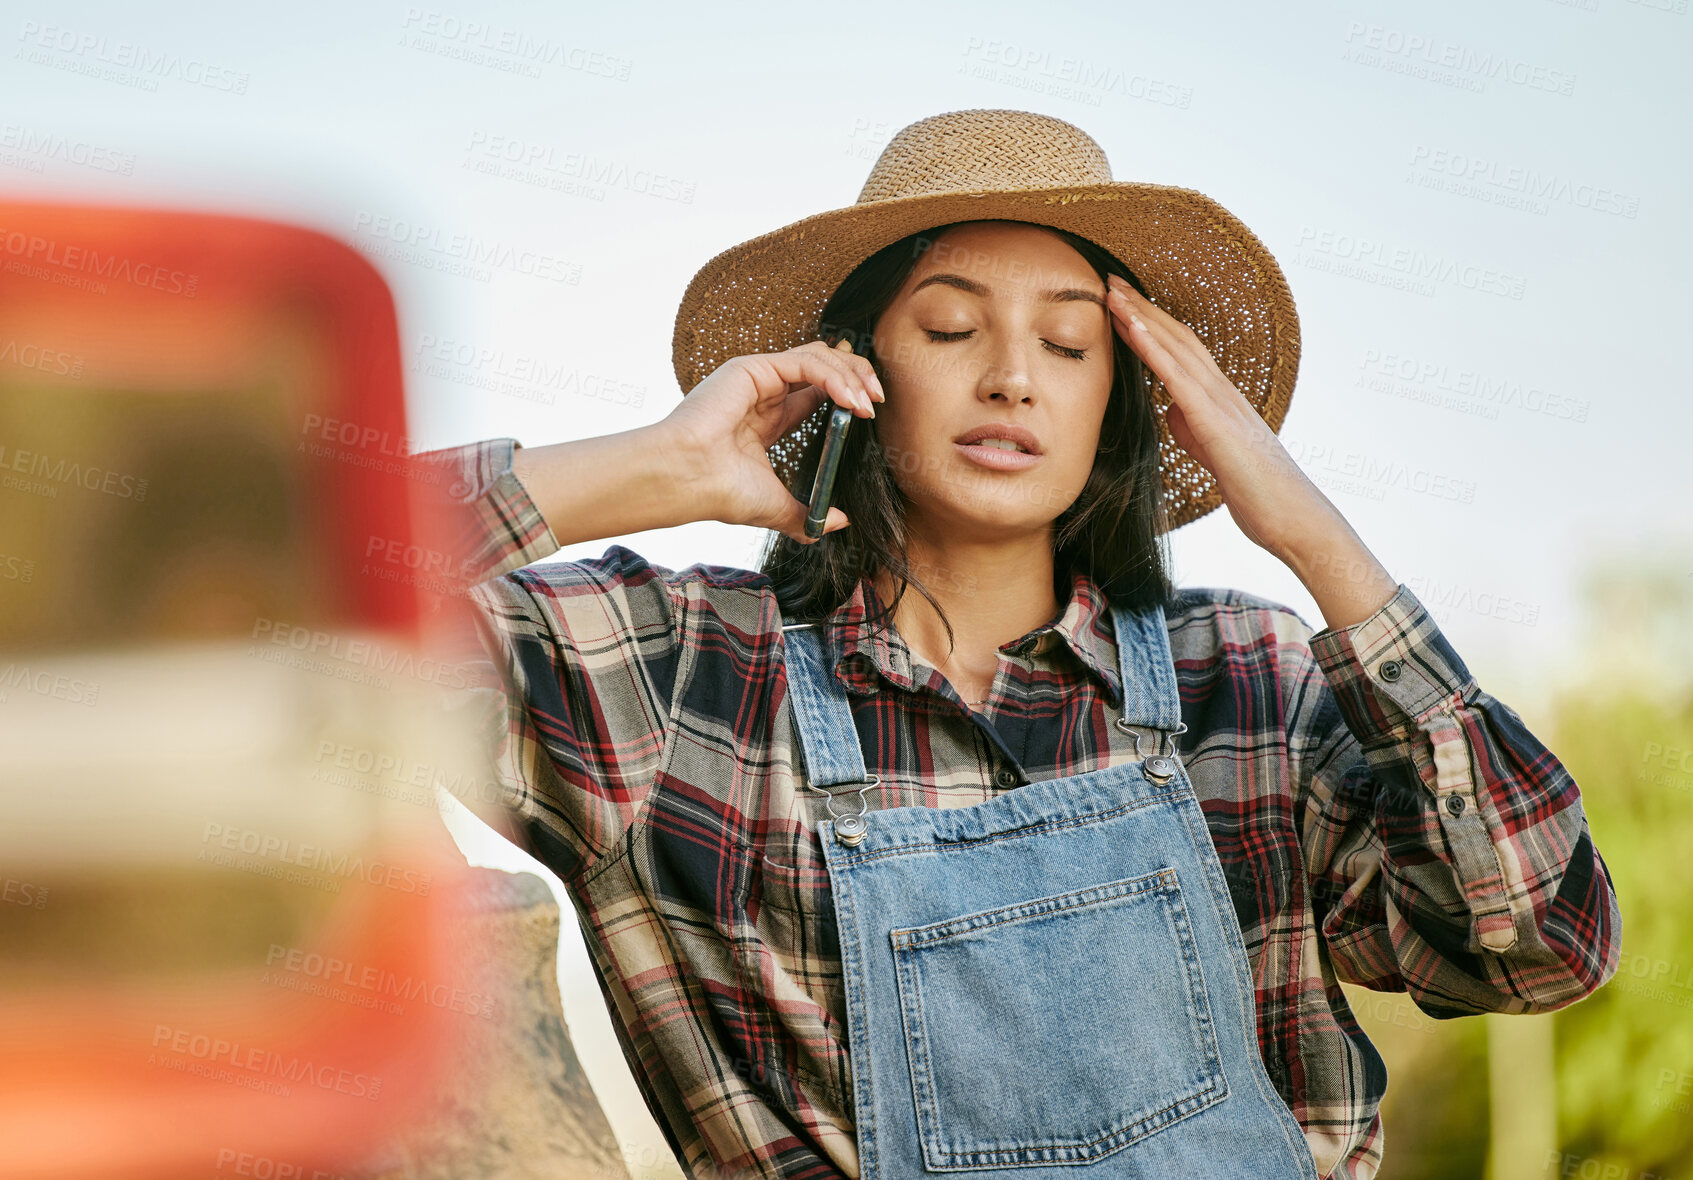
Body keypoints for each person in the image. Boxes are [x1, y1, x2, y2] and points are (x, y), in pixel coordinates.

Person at [415, 110, 1621, 1180]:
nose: (1009, 379)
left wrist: (1318, 543)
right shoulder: (674, 677)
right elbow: (256, 579)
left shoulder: (1248, 682)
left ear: (1125, 402)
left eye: (1068, 344)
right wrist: (654, 467)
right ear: (853, 369)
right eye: (948, 329)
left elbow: (1539, 946)